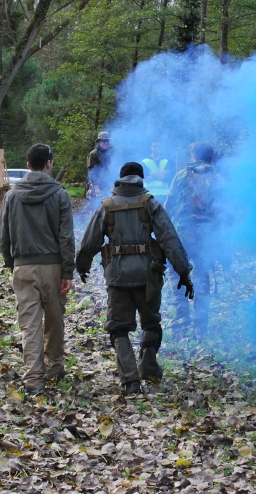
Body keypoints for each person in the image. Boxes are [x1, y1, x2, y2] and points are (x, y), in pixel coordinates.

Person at [76, 162, 193, 395]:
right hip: (148, 275)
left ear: (120, 180)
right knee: (151, 322)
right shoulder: (150, 204)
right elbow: (169, 239)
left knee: (118, 328)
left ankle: (131, 380)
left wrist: (82, 265)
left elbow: (90, 242)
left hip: (118, 276)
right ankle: (148, 364)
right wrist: (183, 271)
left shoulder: (107, 207)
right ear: (141, 179)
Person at [0, 143, 75, 395]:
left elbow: (3, 236)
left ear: (28, 165)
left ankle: (33, 379)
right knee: (55, 321)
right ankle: (54, 369)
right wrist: (67, 271)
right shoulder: (60, 194)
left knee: (29, 325)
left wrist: (11, 263)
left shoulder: (11, 195)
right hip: (53, 267)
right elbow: (66, 237)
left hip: (23, 267)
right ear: (49, 164)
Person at [164, 142, 218, 339]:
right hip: (207, 236)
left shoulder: (182, 175)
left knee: (176, 272)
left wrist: (164, 232)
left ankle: (181, 320)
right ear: (213, 157)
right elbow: (226, 211)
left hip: (183, 233)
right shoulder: (218, 179)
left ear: (194, 156)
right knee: (202, 277)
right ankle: (201, 326)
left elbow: (169, 204)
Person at [86, 131, 112, 198]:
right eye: (104, 141)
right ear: (99, 142)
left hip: (106, 185)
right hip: (96, 186)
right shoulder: (93, 154)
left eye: (107, 141)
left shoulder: (109, 153)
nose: (106, 143)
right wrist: (97, 190)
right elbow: (92, 173)